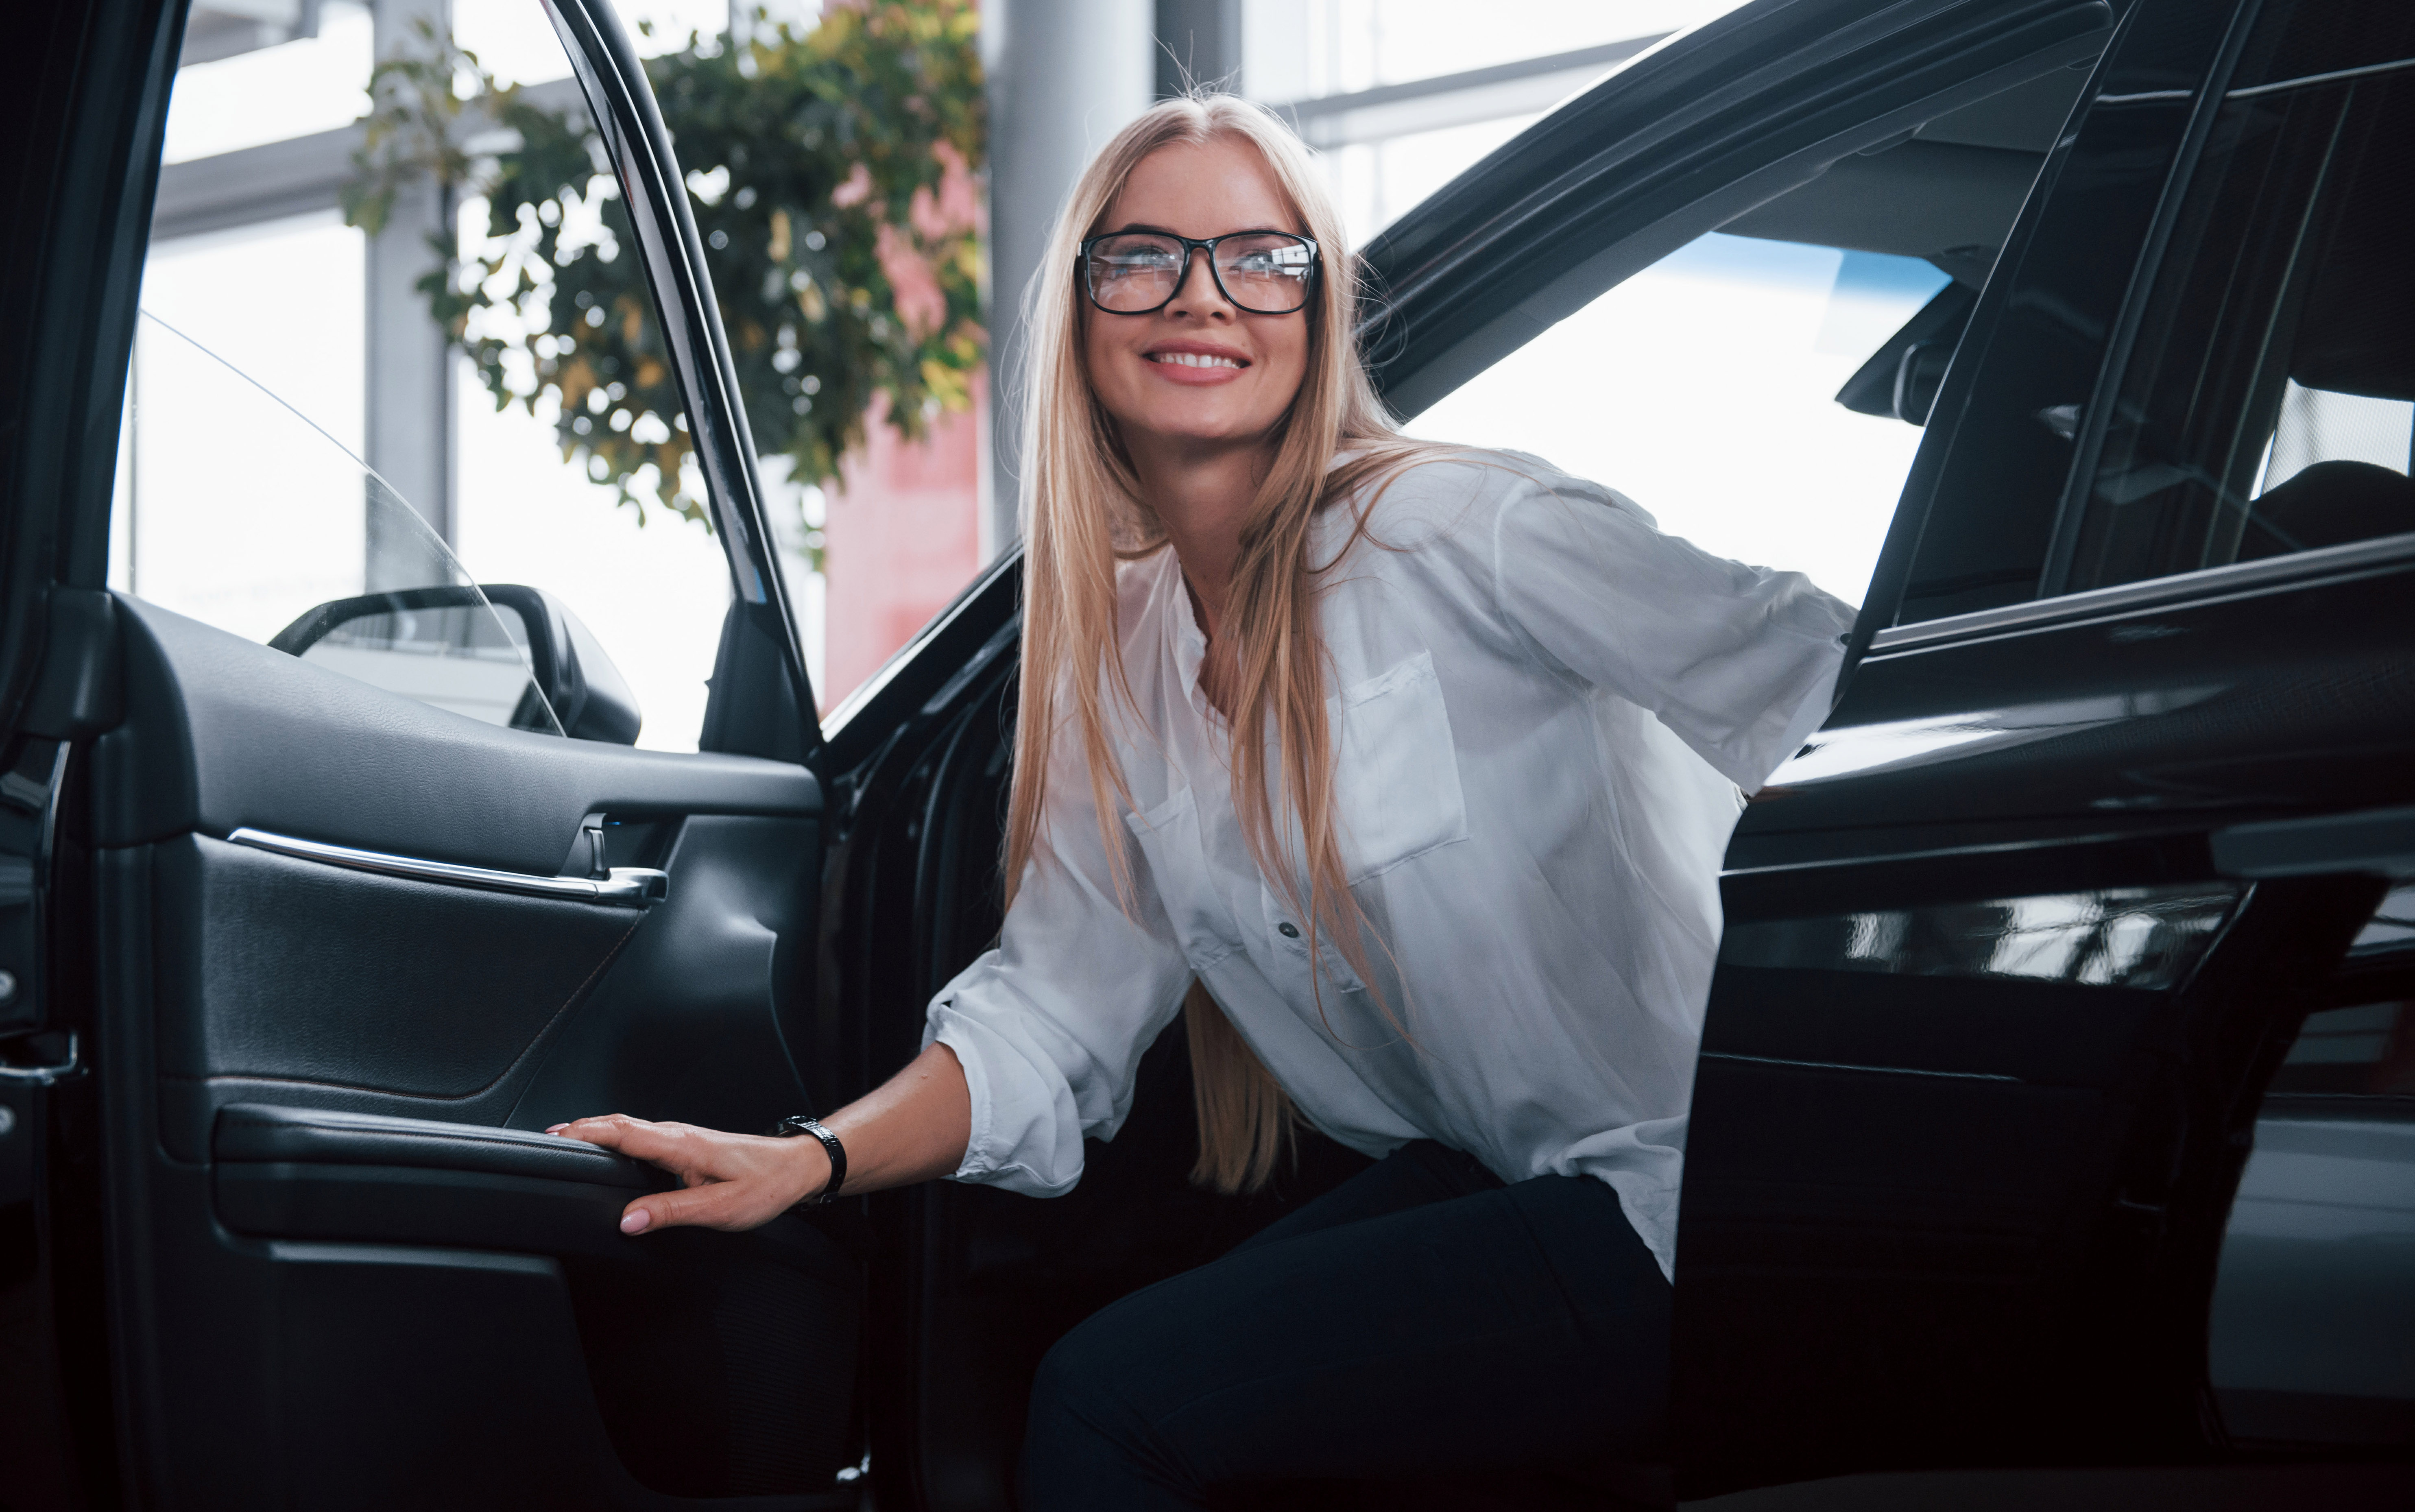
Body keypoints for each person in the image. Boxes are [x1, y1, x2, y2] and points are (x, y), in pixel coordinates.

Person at [550, 91, 1854, 1506]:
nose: (1203, 296)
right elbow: (1051, 1016)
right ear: (1084, 308)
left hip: (1695, 1199)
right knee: (1156, 1366)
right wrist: (808, 1162)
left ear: (1317, 303)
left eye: (1258, 257)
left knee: (1118, 1410)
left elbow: (1815, 679)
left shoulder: (1469, 532)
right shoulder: (1122, 657)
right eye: (1145, 257)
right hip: (1504, 1173)